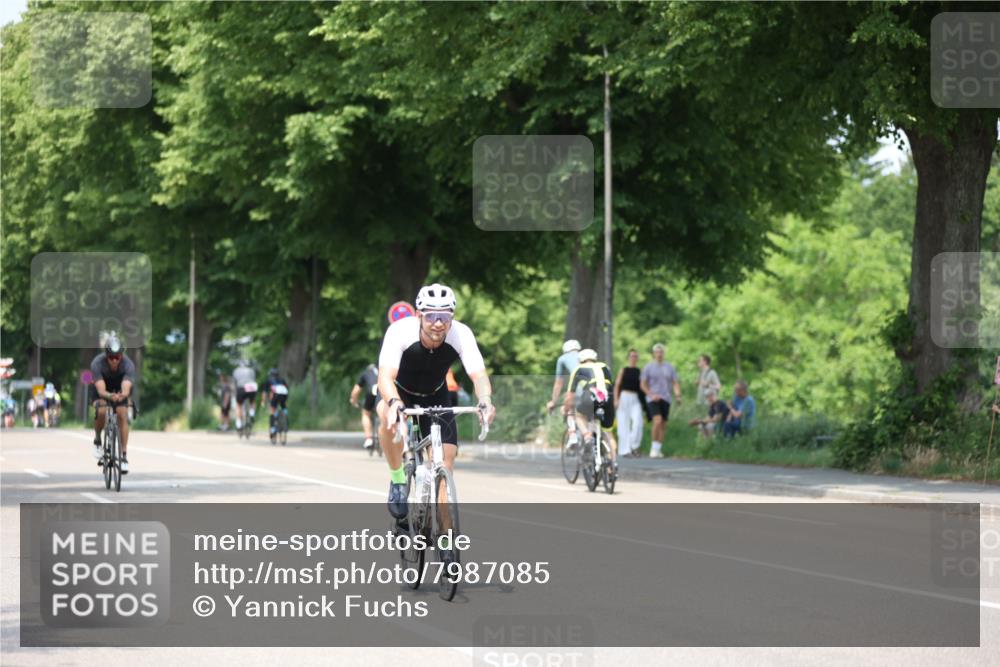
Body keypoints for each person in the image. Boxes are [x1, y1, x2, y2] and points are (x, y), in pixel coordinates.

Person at [376, 283, 496, 525]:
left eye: (444, 316)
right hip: (400, 392)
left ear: (452, 317)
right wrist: (394, 403)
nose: (438, 323)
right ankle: (398, 478)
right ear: (419, 315)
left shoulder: (461, 334)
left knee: (445, 463)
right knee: (388, 418)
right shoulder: (400, 331)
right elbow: (385, 377)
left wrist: (485, 400)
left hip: (435, 394)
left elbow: (479, 375)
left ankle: (446, 538)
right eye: (431, 316)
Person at [90, 332, 136, 473]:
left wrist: (122, 395)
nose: (115, 360)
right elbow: (101, 390)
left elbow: (126, 388)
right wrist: (110, 396)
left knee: (122, 413)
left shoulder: (128, 365)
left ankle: (123, 456)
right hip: (103, 390)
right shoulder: (97, 364)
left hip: (119, 389)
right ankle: (98, 440)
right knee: (102, 410)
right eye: (111, 357)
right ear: (106, 356)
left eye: (117, 357)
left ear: (121, 356)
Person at [564, 348, 618, 468]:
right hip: (608, 398)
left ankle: (587, 436)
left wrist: (566, 407)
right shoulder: (604, 366)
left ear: (581, 360)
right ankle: (613, 465)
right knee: (608, 433)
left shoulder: (578, 369)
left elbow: (570, 395)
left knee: (578, 415)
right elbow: (610, 384)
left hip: (590, 396)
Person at [640, 343, 682, 458]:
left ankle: (658, 448)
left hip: (666, 397)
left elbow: (675, 382)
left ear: (664, 353)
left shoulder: (669, 367)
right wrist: (651, 394)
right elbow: (643, 384)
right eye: (657, 352)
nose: (659, 354)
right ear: (654, 354)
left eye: (661, 352)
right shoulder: (648, 367)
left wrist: (678, 395)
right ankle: (653, 448)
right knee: (657, 420)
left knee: (663, 424)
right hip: (652, 398)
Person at [614, 349, 644, 458]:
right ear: (628, 358)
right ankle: (624, 450)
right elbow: (617, 385)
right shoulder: (624, 370)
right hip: (624, 396)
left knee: (638, 423)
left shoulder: (639, 371)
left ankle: (633, 445)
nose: (633, 358)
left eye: (635, 356)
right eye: (632, 356)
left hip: (635, 397)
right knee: (623, 424)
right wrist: (616, 400)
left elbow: (642, 387)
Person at [546, 339, 581, 413]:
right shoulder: (585, 357)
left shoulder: (562, 359)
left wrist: (554, 401)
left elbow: (558, 384)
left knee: (565, 409)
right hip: (596, 391)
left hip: (580, 392)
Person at [350, 363, 379, 450]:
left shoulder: (365, 373)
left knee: (366, 413)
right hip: (384, 390)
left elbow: (356, 391)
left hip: (372, 391)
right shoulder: (385, 369)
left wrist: (353, 401)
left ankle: (369, 439)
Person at [259, 368, 289, 439]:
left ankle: (273, 429)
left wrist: (263, 401)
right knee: (284, 407)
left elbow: (265, 392)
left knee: (272, 411)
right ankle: (285, 419)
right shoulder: (282, 380)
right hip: (284, 395)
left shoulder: (269, 380)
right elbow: (287, 389)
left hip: (275, 396)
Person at [232, 360, 257, 432]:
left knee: (239, 405)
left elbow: (234, 382)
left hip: (241, 387)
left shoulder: (236, 371)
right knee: (252, 401)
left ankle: (239, 425)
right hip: (251, 386)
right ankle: (252, 414)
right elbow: (253, 380)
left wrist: (235, 392)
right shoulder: (251, 370)